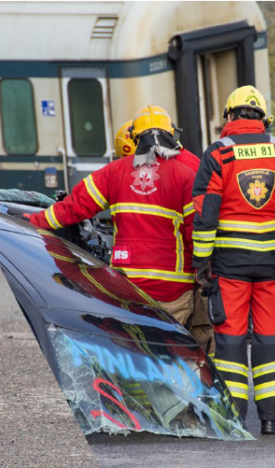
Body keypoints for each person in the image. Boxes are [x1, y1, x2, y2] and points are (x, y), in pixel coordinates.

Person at [191, 85, 275, 435]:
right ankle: (271, 419)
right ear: (263, 119)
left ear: (229, 117)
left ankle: (234, 418)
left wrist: (202, 266)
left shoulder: (218, 154)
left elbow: (205, 216)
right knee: (271, 338)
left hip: (230, 267)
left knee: (229, 340)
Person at [28, 106, 198, 330]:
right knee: (170, 355)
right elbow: (196, 234)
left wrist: (33, 221)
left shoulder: (114, 171)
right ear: (171, 134)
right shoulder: (186, 175)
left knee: (132, 351)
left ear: (135, 137)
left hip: (128, 288)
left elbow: (73, 206)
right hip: (173, 291)